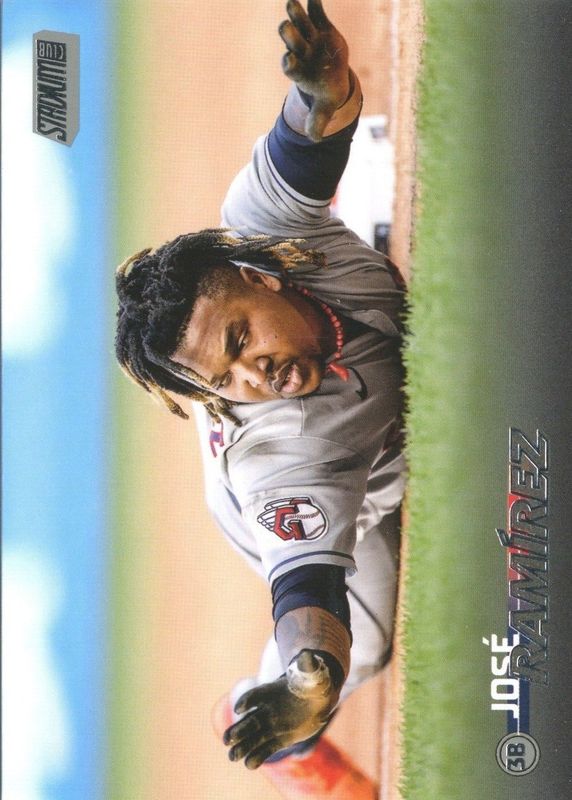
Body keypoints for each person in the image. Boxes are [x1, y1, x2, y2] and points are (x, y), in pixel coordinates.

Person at [115, 1, 406, 796]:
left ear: (257, 276)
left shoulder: (262, 232)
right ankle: (279, 743)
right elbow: (308, 592)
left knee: (362, 191)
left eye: (241, 337)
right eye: (225, 378)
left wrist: (321, 90)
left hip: (345, 391)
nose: (253, 376)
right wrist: (308, 678)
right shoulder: (280, 457)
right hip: (339, 498)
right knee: (359, 653)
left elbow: (308, 139)